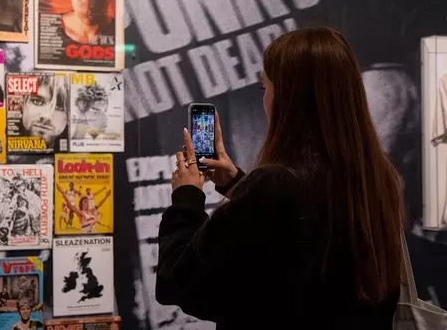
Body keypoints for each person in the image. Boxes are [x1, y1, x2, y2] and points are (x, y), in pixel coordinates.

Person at [156, 27, 404, 329]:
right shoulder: (377, 179)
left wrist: (186, 198)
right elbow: (299, 228)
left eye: (265, 88)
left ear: (288, 97)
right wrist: (237, 184)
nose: (265, 99)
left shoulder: (273, 187)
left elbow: (181, 281)